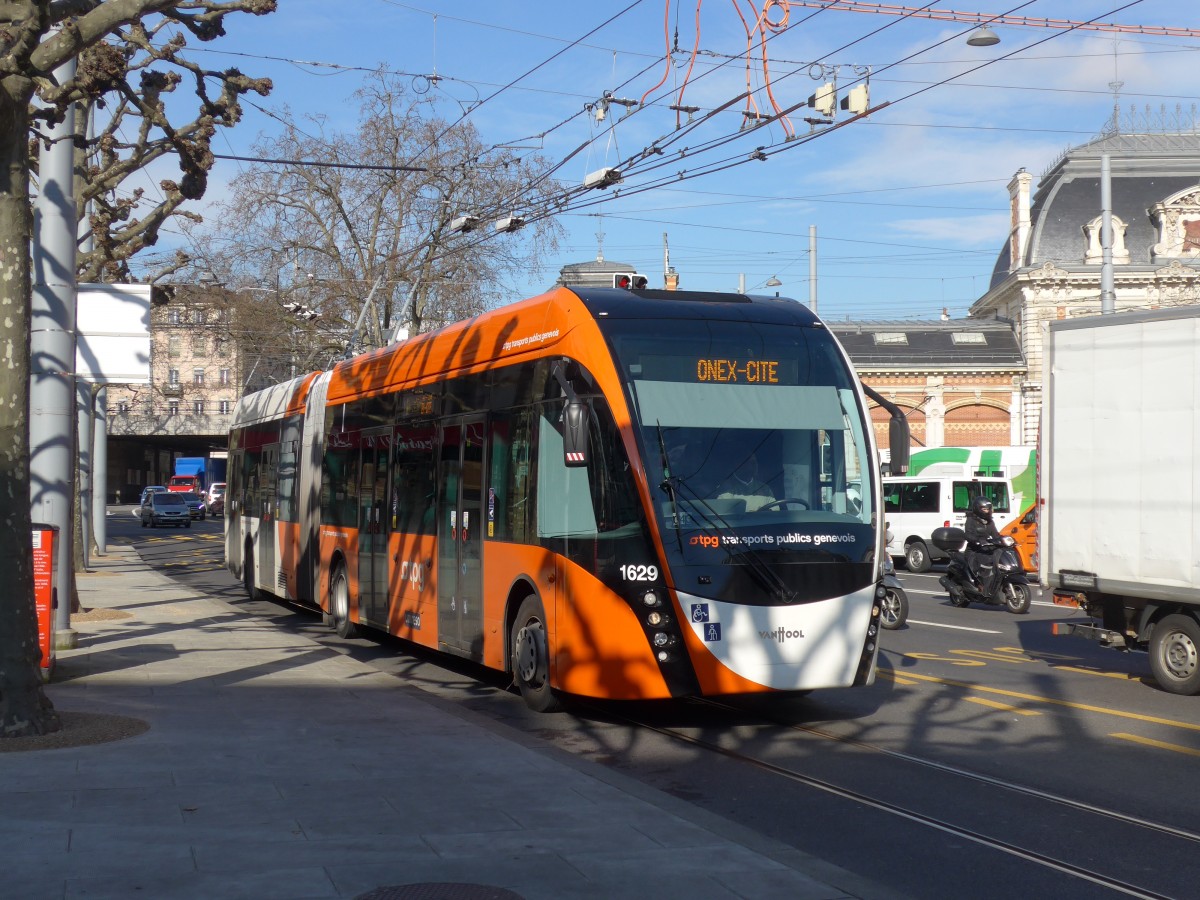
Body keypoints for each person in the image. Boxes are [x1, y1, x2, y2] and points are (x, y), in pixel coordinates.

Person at [964, 495, 1001, 583]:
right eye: (985, 509)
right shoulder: (971, 520)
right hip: (974, 550)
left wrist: (1003, 540)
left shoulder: (989, 521)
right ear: (978, 509)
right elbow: (968, 535)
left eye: (989, 509)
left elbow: (995, 534)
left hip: (986, 549)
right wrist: (978, 540)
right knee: (978, 571)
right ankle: (977, 584)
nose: (987, 511)